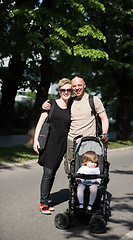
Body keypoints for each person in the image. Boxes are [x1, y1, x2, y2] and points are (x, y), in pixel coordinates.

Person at [42, 75, 109, 174]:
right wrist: (45, 105)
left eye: (79, 85)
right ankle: (74, 188)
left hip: (88, 141)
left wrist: (105, 133)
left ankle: (89, 188)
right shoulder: (70, 101)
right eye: (74, 86)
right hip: (71, 141)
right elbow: (58, 105)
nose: (77, 88)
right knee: (71, 170)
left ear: (84, 85)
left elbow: (104, 118)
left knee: (89, 169)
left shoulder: (93, 100)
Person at [33, 78, 72, 215]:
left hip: (62, 144)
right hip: (49, 142)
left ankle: (46, 199)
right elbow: (41, 121)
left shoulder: (71, 106)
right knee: (48, 173)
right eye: (63, 90)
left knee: (53, 172)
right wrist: (35, 140)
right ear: (60, 91)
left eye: (68, 90)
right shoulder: (51, 104)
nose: (66, 92)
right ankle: (43, 202)